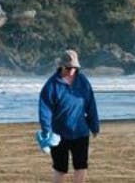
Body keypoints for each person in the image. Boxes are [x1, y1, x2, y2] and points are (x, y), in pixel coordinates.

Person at [37, 49, 100, 182]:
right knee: (60, 168)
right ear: (61, 65)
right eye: (69, 67)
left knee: (81, 165)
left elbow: (91, 104)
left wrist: (94, 126)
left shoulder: (83, 81)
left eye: (75, 67)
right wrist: (46, 130)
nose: (72, 70)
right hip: (58, 134)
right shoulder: (52, 84)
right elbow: (45, 109)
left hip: (81, 132)